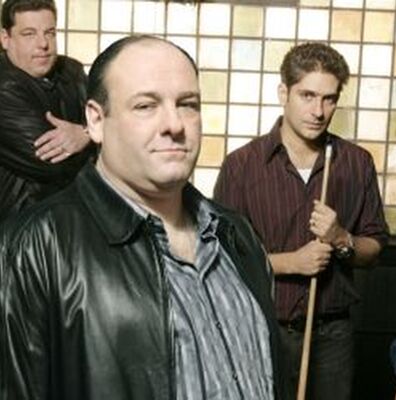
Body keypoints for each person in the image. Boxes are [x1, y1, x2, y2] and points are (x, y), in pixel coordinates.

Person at [0, 35, 287, 400]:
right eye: (146, 106)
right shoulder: (34, 246)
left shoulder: (237, 234)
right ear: (96, 120)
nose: (174, 124)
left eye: (187, 104)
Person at [214, 42, 389, 400]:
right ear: (284, 93)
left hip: (333, 334)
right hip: (261, 327)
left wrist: (341, 238)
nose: (318, 111)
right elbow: (220, 256)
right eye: (307, 95)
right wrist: (290, 262)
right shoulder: (242, 165)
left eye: (329, 99)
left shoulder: (356, 163)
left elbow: (374, 248)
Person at [0, 0, 93, 222]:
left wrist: (86, 134)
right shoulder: (3, 86)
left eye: (49, 33)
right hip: (21, 227)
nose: (43, 44)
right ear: (5, 38)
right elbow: (53, 166)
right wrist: (97, 135)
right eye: (29, 34)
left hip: (76, 219)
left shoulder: (72, 71)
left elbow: (117, 120)